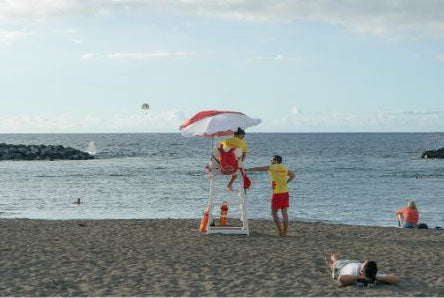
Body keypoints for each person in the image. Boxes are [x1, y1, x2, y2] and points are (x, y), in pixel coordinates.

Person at [246, 155, 295, 236]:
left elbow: (259, 169)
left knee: (274, 213)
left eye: (272, 160)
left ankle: (280, 232)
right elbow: (293, 175)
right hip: (285, 192)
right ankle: (284, 232)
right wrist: (287, 182)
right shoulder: (284, 168)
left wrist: (247, 170)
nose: (271, 161)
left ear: (275, 160)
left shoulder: (272, 167)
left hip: (277, 193)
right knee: (284, 213)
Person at [325, 252, 399, 287]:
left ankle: (332, 259)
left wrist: (358, 277)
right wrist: (377, 277)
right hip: (354, 263)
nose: (365, 261)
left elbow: (341, 279)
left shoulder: (353, 273)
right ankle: (332, 259)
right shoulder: (371, 272)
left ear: (362, 271)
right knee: (337, 261)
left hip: (342, 267)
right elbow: (396, 279)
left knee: (335, 262)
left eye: (364, 264)